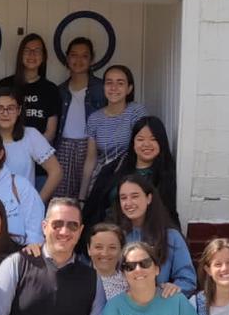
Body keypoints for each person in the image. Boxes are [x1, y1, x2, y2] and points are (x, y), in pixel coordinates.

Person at [87, 116, 180, 229]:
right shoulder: (114, 168)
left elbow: (168, 213)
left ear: (162, 142)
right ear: (133, 143)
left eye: (153, 139)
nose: (146, 144)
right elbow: (93, 206)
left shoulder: (167, 174)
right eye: (140, 139)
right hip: (110, 232)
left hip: (147, 234)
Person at [112, 176, 195, 294]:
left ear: (149, 198)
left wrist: (173, 288)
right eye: (123, 198)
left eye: (135, 196)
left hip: (160, 301)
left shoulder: (171, 237)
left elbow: (188, 280)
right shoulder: (115, 236)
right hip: (123, 301)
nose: (128, 203)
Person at [0, 82, 63, 201]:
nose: (5, 113)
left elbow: (56, 172)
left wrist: (37, 203)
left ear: (19, 110)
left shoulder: (30, 135)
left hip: (22, 208)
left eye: (11, 108)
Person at [55, 36, 104, 198]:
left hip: (91, 148)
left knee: (88, 197)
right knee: (62, 200)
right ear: (67, 58)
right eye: (74, 55)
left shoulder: (101, 88)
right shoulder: (60, 90)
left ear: (91, 59)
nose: (78, 60)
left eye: (84, 56)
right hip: (63, 147)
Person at [82, 64, 143, 194]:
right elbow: (91, 159)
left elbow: (143, 150)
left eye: (120, 83)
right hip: (102, 181)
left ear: (129, 89)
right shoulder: (94, 118)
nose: (114, 88)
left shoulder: (136, 112)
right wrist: (82, 196)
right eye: (109, 83)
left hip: (130, 182)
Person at [9, 33, 60, 143]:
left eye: (37, 51)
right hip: (8, 148)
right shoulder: (6, 85)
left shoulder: (51, 89)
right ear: (20, 55)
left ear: (43, 56)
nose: (32, 54)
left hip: (39, 150)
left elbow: (50, 132)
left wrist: (32, 148)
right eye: (27, 50)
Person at [86, 222, 127, 300]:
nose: (105, 253)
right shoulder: (77, 281)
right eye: (98, 247)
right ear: (89, 249)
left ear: (121, 250)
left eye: (112, 247)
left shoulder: (130, 284)